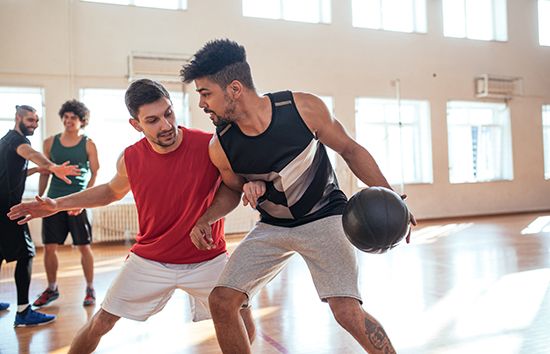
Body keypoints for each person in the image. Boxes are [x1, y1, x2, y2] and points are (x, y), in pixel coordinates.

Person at [181, 39, 417, 354]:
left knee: (346, 310)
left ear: (234, 89)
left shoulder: (302, 109)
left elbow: (350, 149)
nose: (202, 104)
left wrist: (392, 198)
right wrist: (206, 219)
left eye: (205, 93)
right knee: (222, 301)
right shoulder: (221, 145)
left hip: (325, 217)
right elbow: (232, 189)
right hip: (272, 227)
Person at [8, 79, 255, 353]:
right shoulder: (131, 158)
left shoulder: (208, 145)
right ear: (136, 124)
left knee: (242, 316)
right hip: (150, 259)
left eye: (168, 113)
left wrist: (207, 218)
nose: (165, 125)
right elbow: (110, 192)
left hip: (207, 257)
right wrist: (56, 204)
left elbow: (232, 188)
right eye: (152, 120)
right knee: (101, 322)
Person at [0, 104, 80, 327]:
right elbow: (33, 154)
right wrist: (52, 167)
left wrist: (36, 171)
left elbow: (12, 169)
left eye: (36, 121)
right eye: (30, 121)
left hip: (1, 206)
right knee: (26, 255)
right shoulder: (20, 142)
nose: (34, 125)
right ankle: (24, 312)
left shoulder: (5, 141)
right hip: (9, 209)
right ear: (18, 118)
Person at [33, 99, 100, 308]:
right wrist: (40, 197)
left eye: (74, 118)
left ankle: (90, 288)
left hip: (77, 201)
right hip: (54, 200)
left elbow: (95, 171)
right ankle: (52, 288)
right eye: (66, 117)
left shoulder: (88, 143)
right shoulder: (50, 142)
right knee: (49, 247)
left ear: (82, 121)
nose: (69, 120)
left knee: (83, 247)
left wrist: (86, 199)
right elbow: (45, 172)